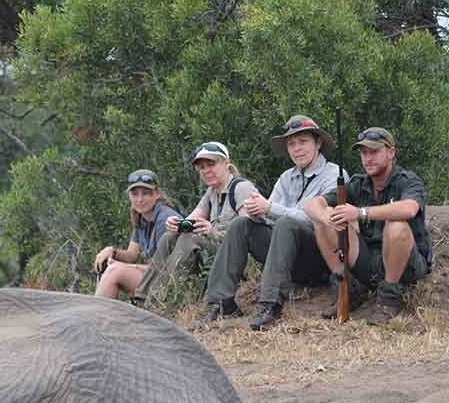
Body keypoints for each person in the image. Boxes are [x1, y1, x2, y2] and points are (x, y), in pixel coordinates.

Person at [194, 114, 343, 331]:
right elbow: (267, 214)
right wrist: (256, 211)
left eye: (303, 142)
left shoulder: (335, 175)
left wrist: (269, 209)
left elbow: (318, 219)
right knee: (241, 224)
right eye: (291, 144)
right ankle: (221, 302)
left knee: (285, 222)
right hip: (286, 256)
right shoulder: (285, 178)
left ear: (318, 143)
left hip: (320, 259)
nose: (296, 149)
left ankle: (270, 303)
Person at [303, 126, 432, 322]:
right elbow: (312, 204)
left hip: (407, 265)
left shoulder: (407, 180)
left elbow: (409, 209)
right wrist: (327, 218)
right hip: (369, 262)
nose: (368, 158)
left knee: (397, 225)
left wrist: (360, 213)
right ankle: (348, 288)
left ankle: (389, 297)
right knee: (325, 219)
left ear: (391, 152)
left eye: (374, 152)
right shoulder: (359, 184)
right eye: (364, 153)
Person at [130, 141, 261, 306]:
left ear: (227, 164)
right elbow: (192, 219)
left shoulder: (242, 189)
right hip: (219, 253)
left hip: (240, 260)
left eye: (211, 164)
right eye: (202, 167)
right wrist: (176, 224)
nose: (206, 171)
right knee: (170, 237)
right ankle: (141, 299)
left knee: (189, 240)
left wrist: (212, 231)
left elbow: (247, 234)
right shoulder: (212, 192)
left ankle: (159, 301)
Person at [93, 169, 181, 300]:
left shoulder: (165, 219)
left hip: (174, 282)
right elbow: (131, 255)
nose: (139, 199)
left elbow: (163, 268)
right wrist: (112, 252)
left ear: (157, 194)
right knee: (109, 268)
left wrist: (121, 267)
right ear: (129, 196)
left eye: (146, 193)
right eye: (134, 194)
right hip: (156, 276)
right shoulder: (142, 217)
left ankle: (97, 318)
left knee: (114, 272)